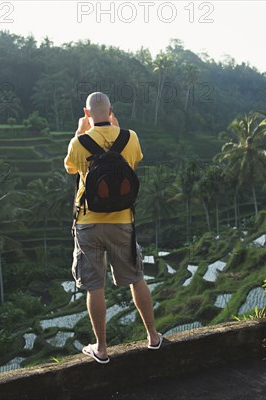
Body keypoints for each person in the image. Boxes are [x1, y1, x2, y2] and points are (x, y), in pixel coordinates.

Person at [64, 92, 162, 364]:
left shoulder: (79, 142)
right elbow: (133, 164)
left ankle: (102, 348)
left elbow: (71, 169)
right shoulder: (130, 137)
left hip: (88, 224)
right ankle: (153, 337)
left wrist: (79, 132)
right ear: (110, 111)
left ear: (87, 112)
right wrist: (116, 130)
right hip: (121, 222)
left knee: (95, 286)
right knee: (136, 277)